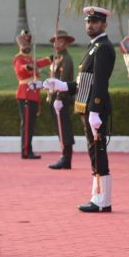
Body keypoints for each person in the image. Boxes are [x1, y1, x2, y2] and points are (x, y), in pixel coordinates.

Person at [45, 6, 115, 212]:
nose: (90, 25)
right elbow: (85, 82)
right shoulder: (94, 47)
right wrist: (62, 85)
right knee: (94, 152)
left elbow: (100, 83)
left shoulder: (103, 48)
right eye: (88, 21)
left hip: (96, 109)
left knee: (98, 152)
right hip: (88, 108)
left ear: (104, 24)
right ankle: (98, 196)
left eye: (95, 21)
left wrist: (95, 110)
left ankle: (103, 200)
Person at [13, 30, 51, 159]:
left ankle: (28, 149)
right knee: (27, 124)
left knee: (31, 124)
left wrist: (49, 59)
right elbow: (20, 68)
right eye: (25, 45)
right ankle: (25, 151)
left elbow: (38, 63)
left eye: (28, 45)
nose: (27, 47)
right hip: (25, 94)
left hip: (33, 94)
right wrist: (28, 67)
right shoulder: (19, 58)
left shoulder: (30, 59)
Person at [46, 29, 76, 169]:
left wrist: (59, 97)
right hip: (54, 97)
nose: (57, 44)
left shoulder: (66, 59)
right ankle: (64, 156)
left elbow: (64, 80)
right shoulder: (57, 58)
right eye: (56, 41)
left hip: (61, 98)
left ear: (66, 43)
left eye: (60, 41)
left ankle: (66, 157)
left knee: (64, 127)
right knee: (60, 128)